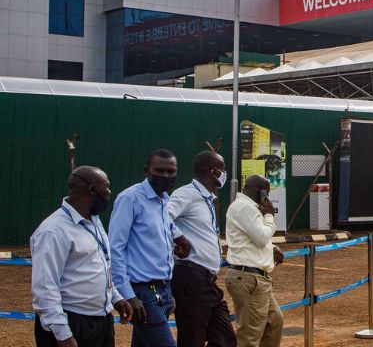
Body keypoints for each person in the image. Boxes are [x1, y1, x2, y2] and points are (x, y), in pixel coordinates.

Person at [31, 166, 132, 347]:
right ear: (92, 190)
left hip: (101, 321)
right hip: (71, 322)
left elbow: (99, 265)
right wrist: (62, 334)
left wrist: (115, 297)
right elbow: (45, 287)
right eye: (106, 187)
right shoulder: (53, 231)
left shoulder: (93, 221)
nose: (109, 193)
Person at [109, 149, 191, 347]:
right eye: (159, 170)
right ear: (146, 170)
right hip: (141, 291)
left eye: (171, 171)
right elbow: (115, 249)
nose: (165, 176)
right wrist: (127, 295)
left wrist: (180, 237)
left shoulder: (164, 200)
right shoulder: (130, 199)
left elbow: (165, 226)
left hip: (161, 289)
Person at [168, 151, 237, 347]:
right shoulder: (186, 194)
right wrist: (178, 238)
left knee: (225, 339)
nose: (225, 173)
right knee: (192, 339)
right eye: (223, 169)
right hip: (191, 278)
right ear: (214, 171)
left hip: (206, 281)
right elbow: (162, 216)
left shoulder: (206, 198)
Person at [225, 175, 285, 347]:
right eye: (267, 192)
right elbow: (260, 236)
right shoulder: (245, 207)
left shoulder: (248, 207)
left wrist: (271, 246)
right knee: (250, 336)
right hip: (249, 278)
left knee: (274, 321)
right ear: (261, 192)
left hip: (256, 277)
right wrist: (269, 217)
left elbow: (252, 236)